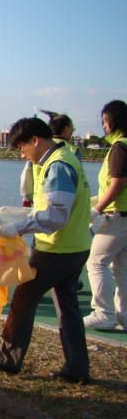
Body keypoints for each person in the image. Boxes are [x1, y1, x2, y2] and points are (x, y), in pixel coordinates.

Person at [0, 117, 91, 384]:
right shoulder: (64, 157)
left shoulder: (57, 166)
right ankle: (76, 367)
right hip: (76, 246)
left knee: (23, 298)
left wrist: (18, 227)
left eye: (21, 148)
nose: (22, 155)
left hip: (56, 249)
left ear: (35, 140)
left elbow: (56, 215)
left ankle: (8, 359)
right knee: (68, 307)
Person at [83, 100, 127, 329]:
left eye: (107, 121)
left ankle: (104, 313)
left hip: (117, 217)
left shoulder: (119, 146)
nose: (104, 126)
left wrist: (96, 210)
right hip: (123, 217)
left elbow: (118, 183)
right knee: (122, 269)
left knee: (96, 262)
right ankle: (123, 316)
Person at [20, 110, 81, 207]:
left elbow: (27, 174)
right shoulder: (73, 151)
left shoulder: (38, 147)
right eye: (72, 129)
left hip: (41, 203)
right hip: (65, 204)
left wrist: (26, 198)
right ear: (66, 129)